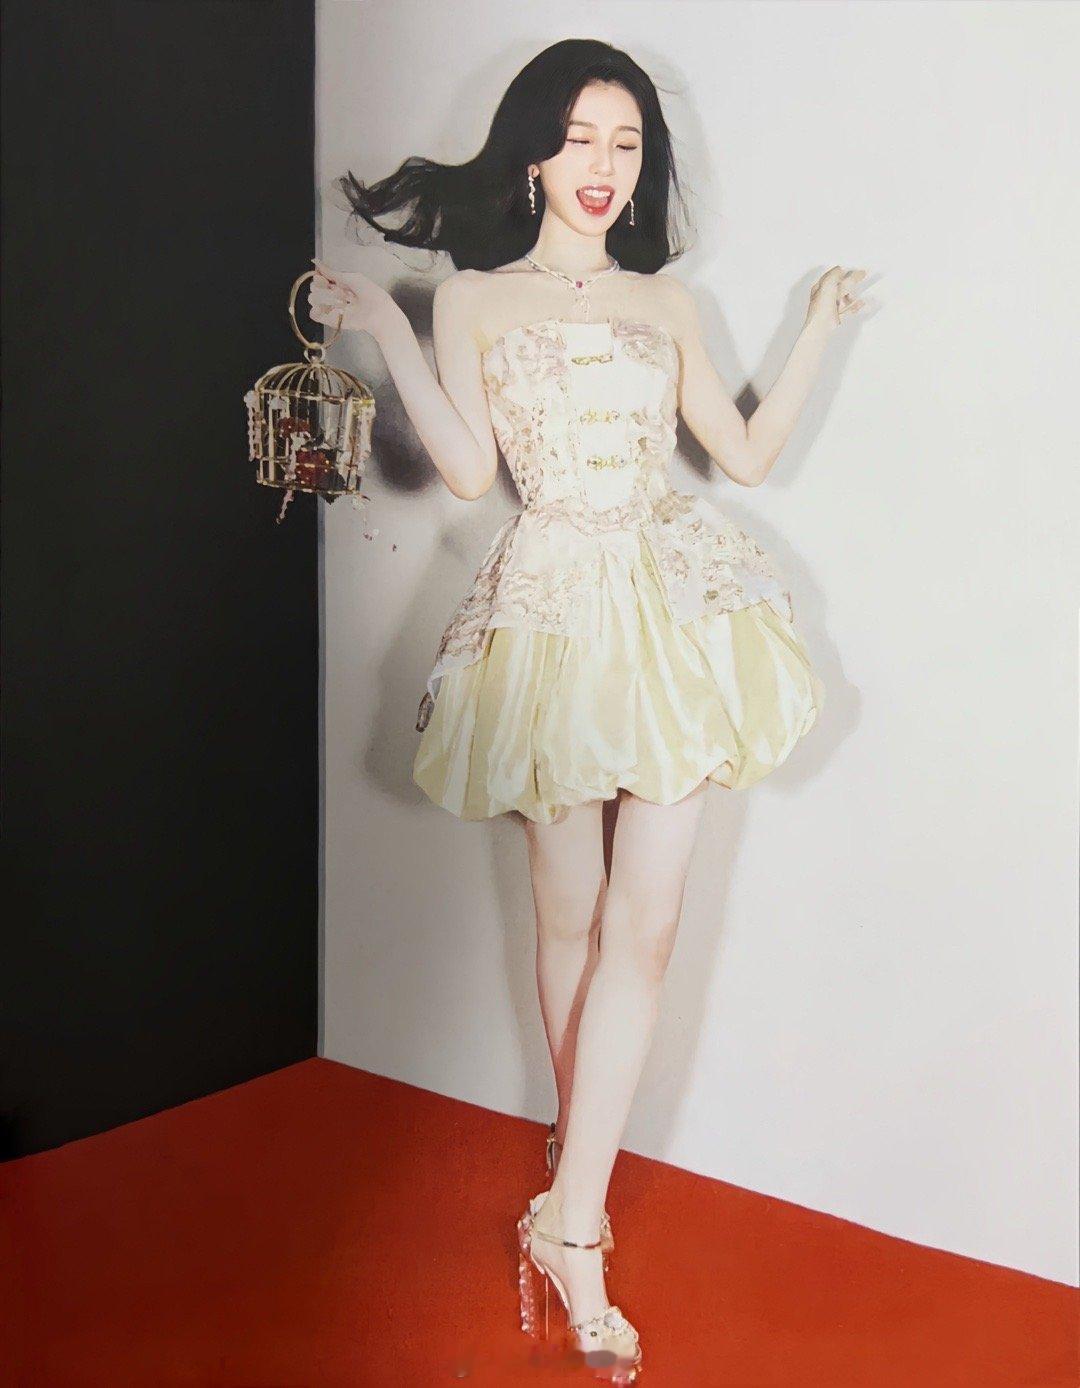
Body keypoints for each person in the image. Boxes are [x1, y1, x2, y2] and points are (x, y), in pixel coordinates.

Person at [309, 37, 866, 1384]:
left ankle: (571, 1224)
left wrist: (818, 330)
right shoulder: (475, 299)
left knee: (647, 926)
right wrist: (389, 331)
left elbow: (744, 454)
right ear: (532, 154)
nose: (602, 166)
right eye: (578, 139)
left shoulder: (665, 303)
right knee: (568, 918)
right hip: (554, 608)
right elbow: (463, 472)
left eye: (625, 143)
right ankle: (581, 1164)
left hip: (667, 602)